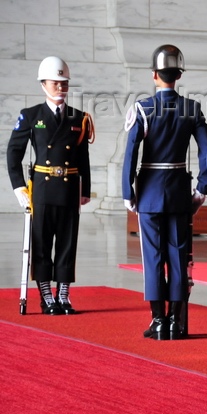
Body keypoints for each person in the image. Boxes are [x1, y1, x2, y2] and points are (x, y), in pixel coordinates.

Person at [122, 44, 207, 341]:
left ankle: (158, 320)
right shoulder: (192, 109)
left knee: (152, 256)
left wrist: (128, 191)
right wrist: (201, 189)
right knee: (177, 257)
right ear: (178, 75)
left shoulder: (143, 108)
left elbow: (131, 154)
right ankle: (175, 321)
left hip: (149, 191)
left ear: (155, 75)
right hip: (178, 192)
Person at [7, 56, 93, 315]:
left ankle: (63, 294)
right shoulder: (31, 116)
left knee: (67, 242)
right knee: (42, 242)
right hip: (42, 189)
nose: (60, 87)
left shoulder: (79, 118)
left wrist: (85, 189)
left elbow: (82, 158)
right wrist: (18, 186)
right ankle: (46, 295)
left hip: (68, 188)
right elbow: (13, 152)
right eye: (55, 82)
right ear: (43, 84)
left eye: (64, 82)